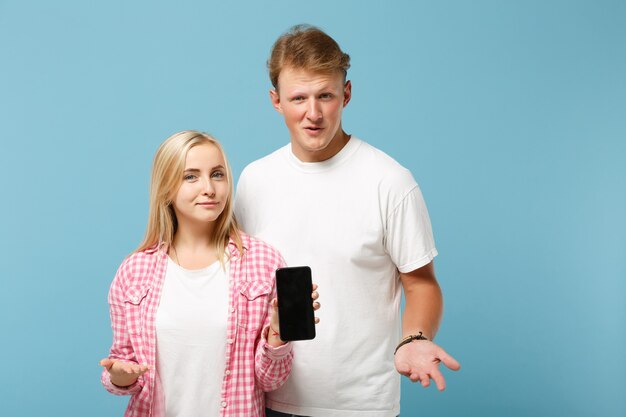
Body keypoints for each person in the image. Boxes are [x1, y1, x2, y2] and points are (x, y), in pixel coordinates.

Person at [234, 25, 460, 417]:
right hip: (268, 398)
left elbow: (421, 282)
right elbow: (239, 285)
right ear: (276, 101)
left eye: (326, 96)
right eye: (298, 98)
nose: (313, 113)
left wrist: (415, 338)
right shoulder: (254, 180)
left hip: (361, 405)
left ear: (347, 94)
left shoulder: (390, 181)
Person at [99, 130, 320, 417]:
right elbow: (121, 366)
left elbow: (271, 380)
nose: (209, 188)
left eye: (217, 174)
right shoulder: (134, 271)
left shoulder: (263, 262)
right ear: (166, 187)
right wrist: (121, 375)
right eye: (191, 176)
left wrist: (277, 335)